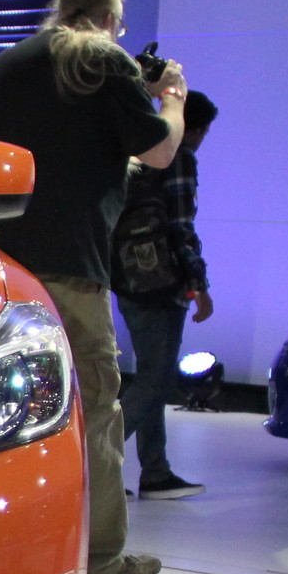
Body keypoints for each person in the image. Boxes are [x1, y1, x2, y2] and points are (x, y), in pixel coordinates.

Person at [0, 0, 186, 574]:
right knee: (95, 409)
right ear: (105, 21)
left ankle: (2, 547)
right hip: (73, 268)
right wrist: (169, 96)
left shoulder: (8, 64)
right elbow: (159, 152)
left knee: (0, 410)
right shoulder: (101, 59)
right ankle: (100, 556)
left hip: (3, 268)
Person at [113, 90, 218, 499]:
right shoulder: (180, 158)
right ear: (196, 129)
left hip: (128, 276)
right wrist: (199, 285)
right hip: (161, 281)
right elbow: (181, 227)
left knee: (149, 376)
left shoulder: (140, 155)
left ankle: (155, 471)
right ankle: (91, 464)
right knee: (156, 380)